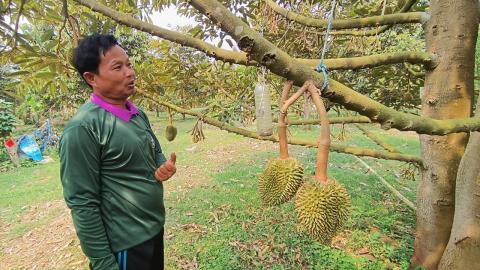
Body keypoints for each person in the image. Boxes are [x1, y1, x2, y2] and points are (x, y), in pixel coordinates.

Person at [59, 34, 176, 270]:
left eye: (129, 64)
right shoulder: (83, 128)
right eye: (118, 67)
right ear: (91, 78)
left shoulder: (136, 113)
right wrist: (103, 263)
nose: (130, 73)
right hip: (124, 245)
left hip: (153, 230)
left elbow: (154, 152)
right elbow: (82, 204)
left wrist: (162, 167)